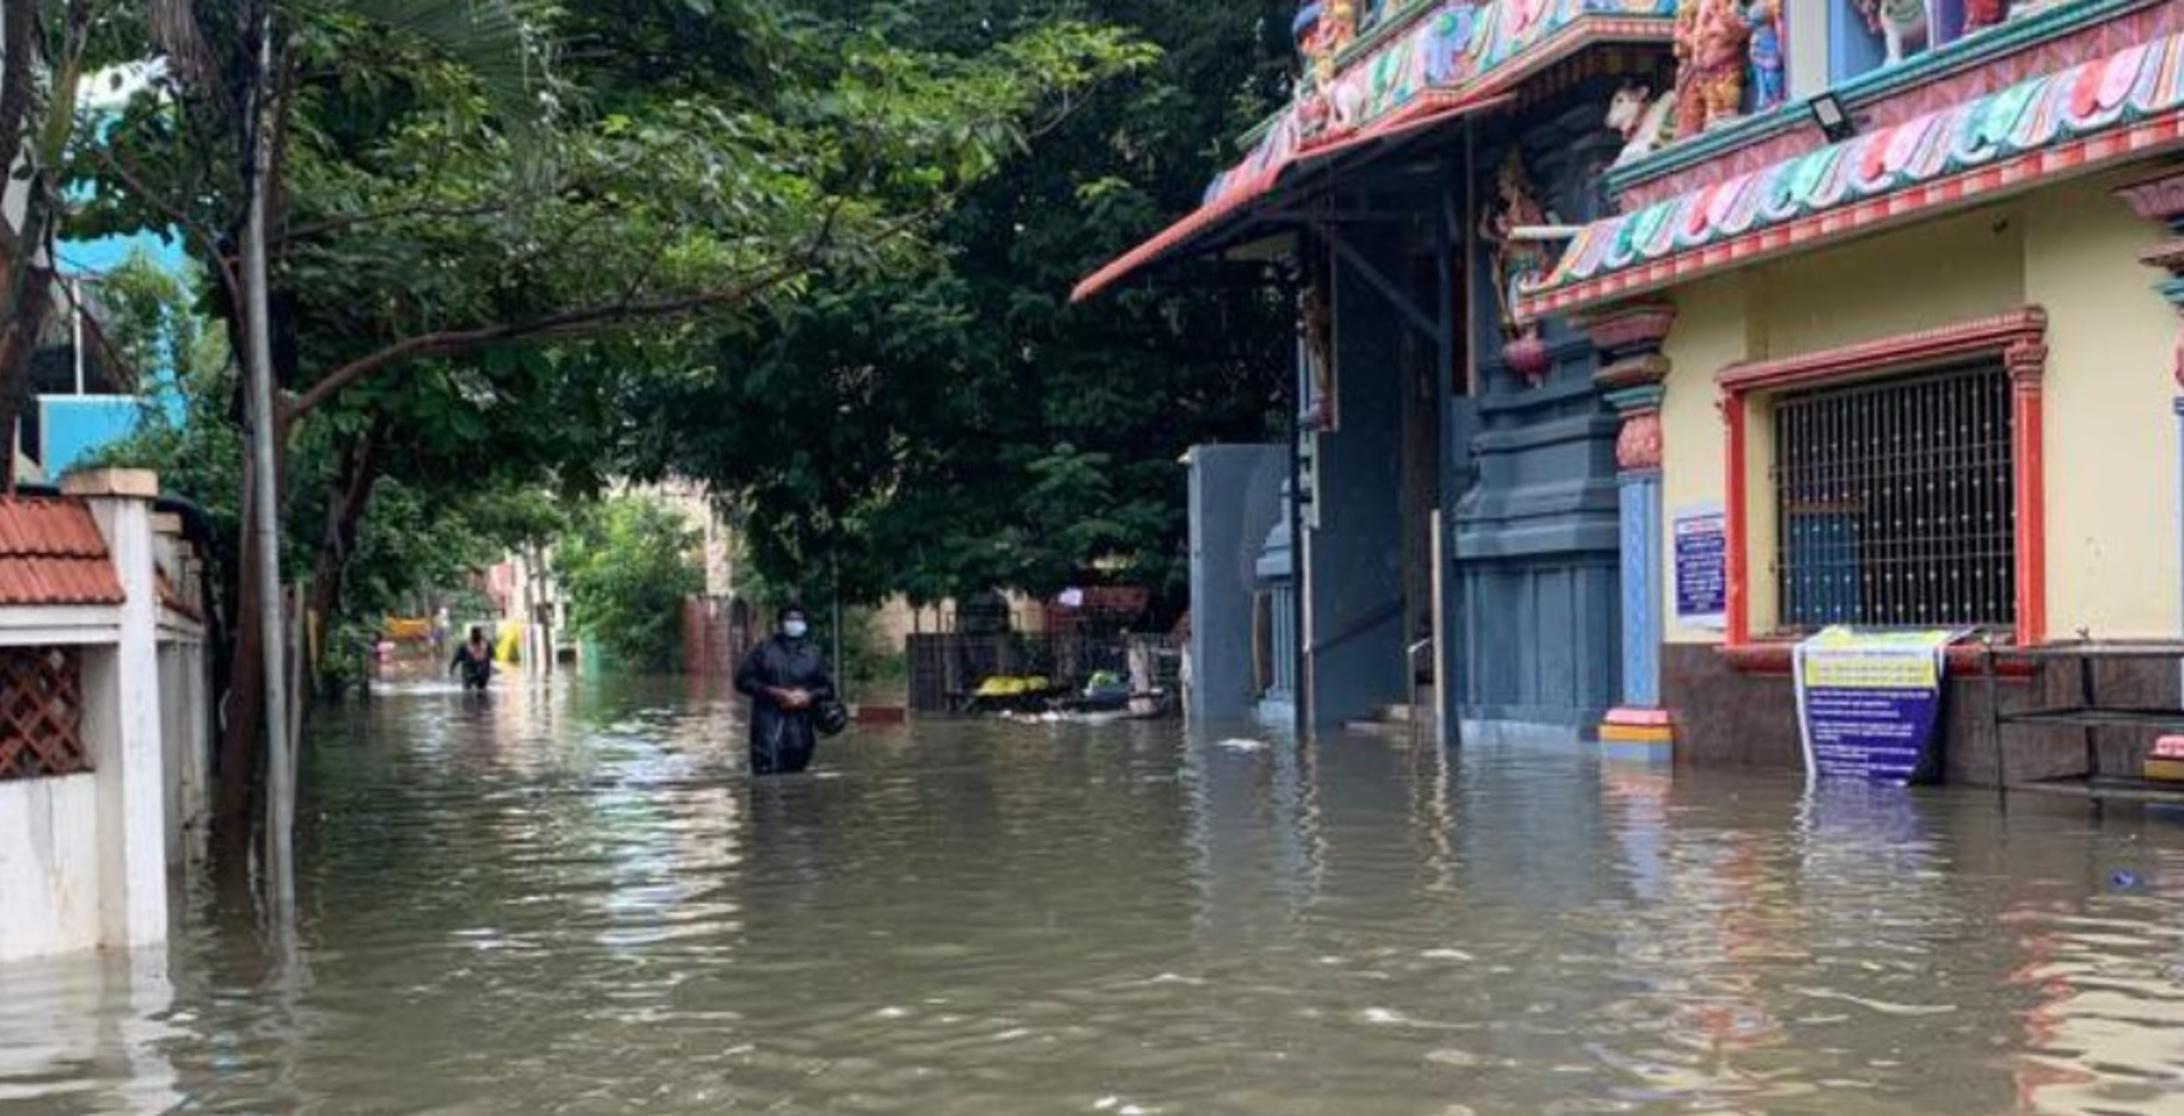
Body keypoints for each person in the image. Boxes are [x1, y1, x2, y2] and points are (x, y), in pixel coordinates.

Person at [735, 604, 836, 776]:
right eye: (790, 619)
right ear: (781, 623)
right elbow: (743, 681)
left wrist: (808, 697)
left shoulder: (813, 654)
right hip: (768, 726)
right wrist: (773, 692)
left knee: (797, 776)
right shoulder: (763, 650)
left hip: (801, 729)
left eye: (799, 619)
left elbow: (828, 689)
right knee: (767, 775)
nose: (794, 623)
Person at [450, 625, 495, 692]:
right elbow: (493, 655)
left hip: (475, 673)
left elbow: (456, 658)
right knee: (478, 690)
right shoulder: (466, 645)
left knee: (470, 689)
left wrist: (451, 669)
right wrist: (452, 668)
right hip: (476, 672)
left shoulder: (485, 644)